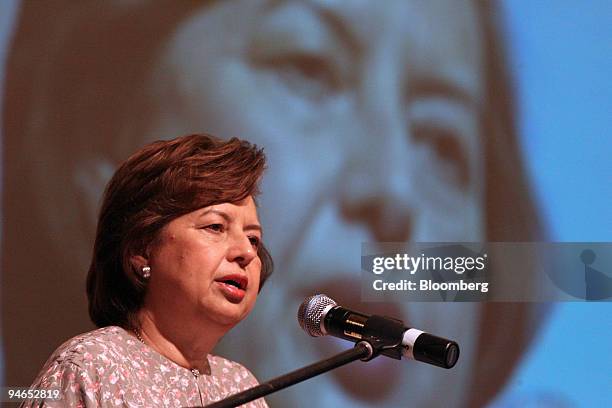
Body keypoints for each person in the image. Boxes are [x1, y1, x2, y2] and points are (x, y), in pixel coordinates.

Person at [4, 1, 543, 407]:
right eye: (309, 67)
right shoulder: (92, 366)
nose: (394, 188)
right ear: (98, 127)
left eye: (441, 140)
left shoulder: (240, 387)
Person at [21, 134, 273, 407]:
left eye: (253, 239)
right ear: (142, 249)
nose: (247, 252)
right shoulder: (89, 366)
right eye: (215, 227)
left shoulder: (241, 385)